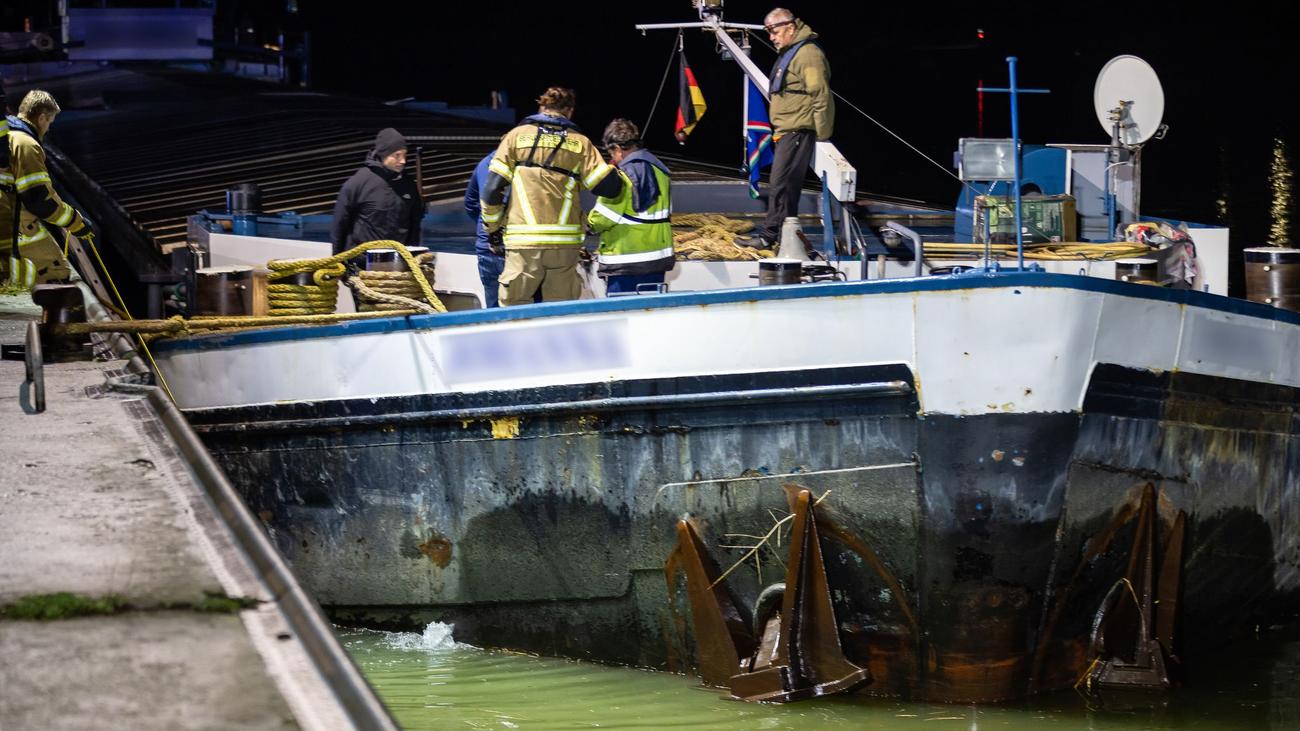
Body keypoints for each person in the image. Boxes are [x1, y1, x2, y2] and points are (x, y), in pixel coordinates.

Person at [479, 87, 623, 306]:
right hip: (564, 246)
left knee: (514, 310)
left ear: (542, 106)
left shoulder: (515, 137)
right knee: (560, 310)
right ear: (570, 111)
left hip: (522, 243)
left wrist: (493, 229)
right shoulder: (581, 143)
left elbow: (491, 190)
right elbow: (609, 188)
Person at [744, 8, 835, 249]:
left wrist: (821, 133)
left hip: (798, 130)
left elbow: (820, 95)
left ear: (790, 27)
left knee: (781, 184)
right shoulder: (791, 52)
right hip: (787, 130)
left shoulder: (807, 54)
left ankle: (769, 236)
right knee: (784, 185)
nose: (771, 37)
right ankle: (784, 236)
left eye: (774, 32)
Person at [1, 90, 94, 287]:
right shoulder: (26, 144)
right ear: (42, 118)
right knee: (56, 270)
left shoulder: (9, 135)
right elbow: (39, 200)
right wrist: (76, 222)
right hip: (11, 222)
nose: (49, 128)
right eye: (50, 122)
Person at [588, 119, 674, 294]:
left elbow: (602, 219)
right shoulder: (662, 172)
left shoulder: (621, 176)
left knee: (623, 309)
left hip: (625, 261)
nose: (612, 159)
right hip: (657, 260)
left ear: (617, 149)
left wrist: (586, 224)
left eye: (611, 153)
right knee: (650, 308)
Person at [331, 127, 422, 258]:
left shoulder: (408, 185)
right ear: (384, 154)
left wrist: (412, 257)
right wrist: (336, 260)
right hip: (361, 262)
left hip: (397, 262)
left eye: (404, 155)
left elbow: (415, 224)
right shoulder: (358, 182)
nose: (403, 161)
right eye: (397, 155)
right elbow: (340, 224)